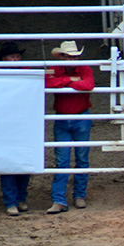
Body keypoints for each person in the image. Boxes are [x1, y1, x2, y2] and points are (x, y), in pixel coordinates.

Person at [45, 41, 94, 215]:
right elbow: (48, 84)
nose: (74, 59)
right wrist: (72, 80)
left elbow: (88, 85)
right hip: (71, 117)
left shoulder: (84, 69)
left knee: (79, 158)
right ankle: (64, 199)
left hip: (74, 117)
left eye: (75, 56)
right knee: (64, 160)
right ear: (62, 57)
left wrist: (63, 83)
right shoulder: (60, 69)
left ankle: (70, 197)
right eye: (70, 56)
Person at [0, 42, 31, 216]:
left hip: (21, 120)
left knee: (22, 161)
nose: (16, 59)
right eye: (12, 56)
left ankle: (19, 199)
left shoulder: (27, 73)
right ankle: (12, 201)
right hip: (7, 122)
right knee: (8, 162)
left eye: (17, 56)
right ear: (4, 59)